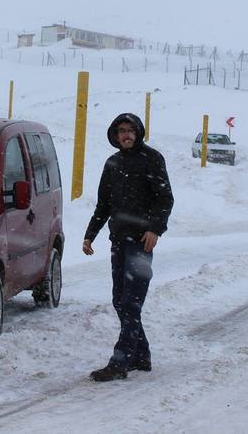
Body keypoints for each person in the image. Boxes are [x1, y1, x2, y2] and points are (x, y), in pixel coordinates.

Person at [82, 113, 174, 382]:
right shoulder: (113, 164)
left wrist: (155, 228)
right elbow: (103, 205)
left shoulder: (152, 159)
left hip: (141, 242)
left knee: (131, 302)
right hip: (119, 240)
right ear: (115, 135)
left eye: (131, 130)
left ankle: (120, 362)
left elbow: (165, 198)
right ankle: (141, 355)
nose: (126, 134)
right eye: (121, 130)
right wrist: (90, 235)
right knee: (120, 300)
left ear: (138, 132)